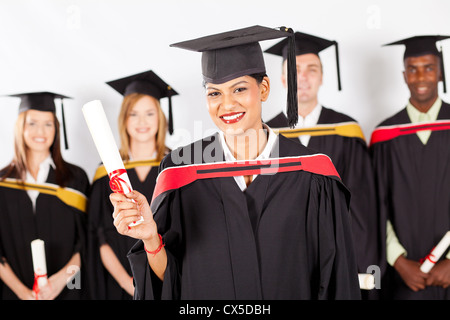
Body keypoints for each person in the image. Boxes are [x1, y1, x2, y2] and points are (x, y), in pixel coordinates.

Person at [111, 25, 361, 300]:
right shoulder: (181, 172)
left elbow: (336, 279)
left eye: (239, 89)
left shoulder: (311, 174)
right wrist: (150, 238)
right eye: (214, 93)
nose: (227, 105)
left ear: (264, 88)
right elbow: (169, 283)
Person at [264, 32, 380, 298]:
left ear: (322, 77)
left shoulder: (346, 131)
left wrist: (361, 269)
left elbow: (362, 207)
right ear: (282, 79)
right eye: (294, 70)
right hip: (282, 262)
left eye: (311, 69)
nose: (302, 77)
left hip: (339, 259)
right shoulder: (264, 135)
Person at [370, 35, 450, 299]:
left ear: (440, 72)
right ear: (404, 76)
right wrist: (398, 260)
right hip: (405, 276)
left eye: (428, 68)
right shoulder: (386, 135)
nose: (421, 77)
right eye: (413, 70)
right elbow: (375, 204)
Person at [87, 70, 177, 299]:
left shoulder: (177, 166)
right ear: (124, 119)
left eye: (149, 113)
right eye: (133, 114)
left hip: (167, 278)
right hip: (118, 285)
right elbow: (99, 236)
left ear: (160, 117)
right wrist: (131, 284)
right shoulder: (105, 171)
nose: (142, 122)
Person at [0, 92, 90, 300]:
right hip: (14, 294)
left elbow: (85, 242)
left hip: (67, 291)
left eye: (48, 124)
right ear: (20, 127)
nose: (40, 131)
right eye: (32, 123)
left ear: (56, 129)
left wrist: (58, 282)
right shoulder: (3, 182)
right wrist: (24, 294)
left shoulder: (75, 179)